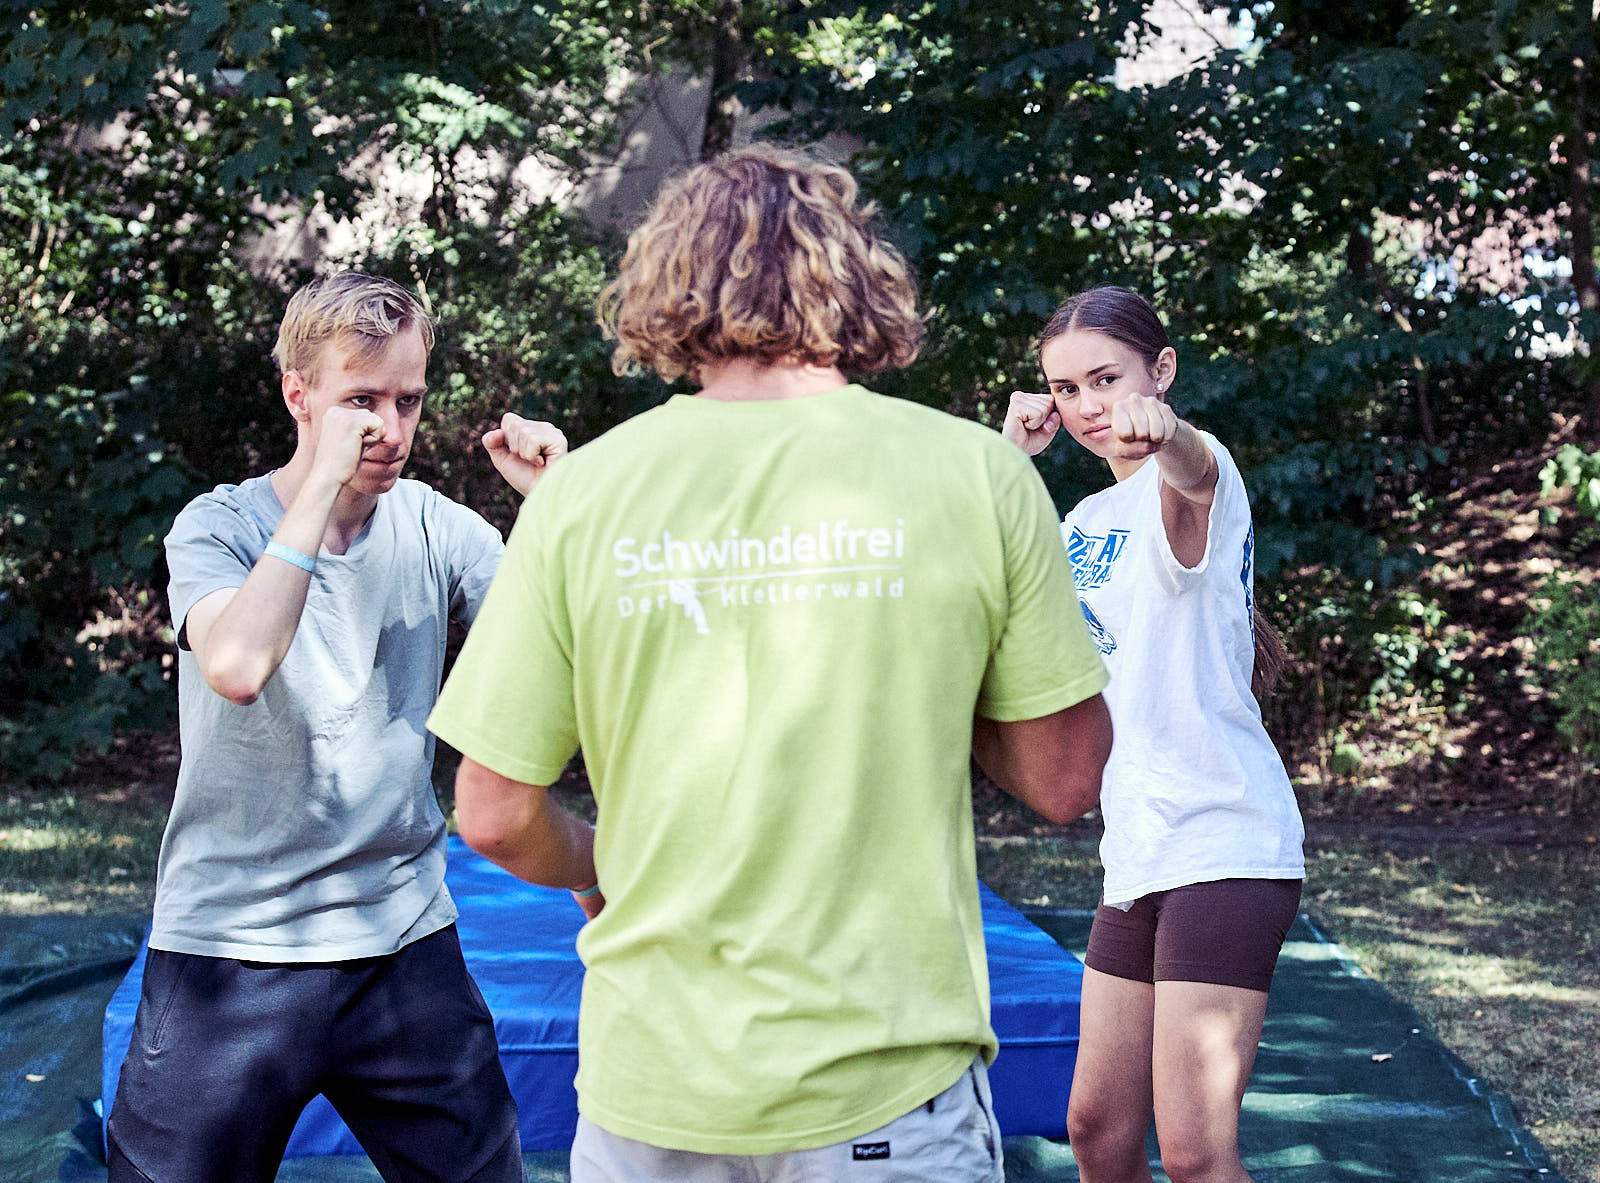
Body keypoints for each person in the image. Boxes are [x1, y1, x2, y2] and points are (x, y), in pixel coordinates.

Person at [426, 144, 1114, 1183]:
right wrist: (922, 666)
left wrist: (598, 862)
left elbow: (489, 810)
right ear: (854, 276)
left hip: (653, 1085)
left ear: (666, 280)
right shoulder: (977, 473)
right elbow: (1066, 777)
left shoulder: (582, 494)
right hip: (891, 1085)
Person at [107, 270, 568, 1182]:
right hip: (229, 951)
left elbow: (579, 654)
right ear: (299, 396)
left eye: (407, 400)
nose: (390, 430)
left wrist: (557, 510)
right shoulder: (218, 526)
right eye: (361, 400)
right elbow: (236, 665)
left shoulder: (437, 525)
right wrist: (320, 488)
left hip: (401, 943)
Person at [1000, 285, 1305, 1183]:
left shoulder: (1203, 478)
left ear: (1160, 370)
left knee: (1197, 1151)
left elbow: (1196, 473)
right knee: (1096, 1131)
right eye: (1065, 390)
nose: (1089, 406)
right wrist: (1005, 458)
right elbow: (984, 572)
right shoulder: (1083, 523)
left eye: (1107, 379)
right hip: (1136, 848)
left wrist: (1165, 432)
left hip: (1225, 839)